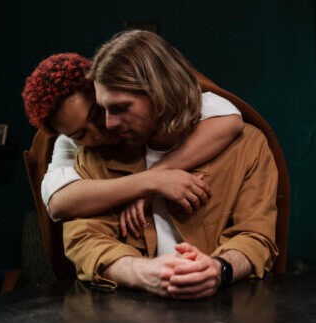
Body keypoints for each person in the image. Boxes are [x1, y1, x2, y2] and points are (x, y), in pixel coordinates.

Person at [64, 30, 278, 299]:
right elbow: (84, 239)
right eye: (103, 109)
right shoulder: (98, 155)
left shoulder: (248, 146)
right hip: (128, 312)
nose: (108, 124)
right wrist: (143, 272)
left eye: (120, 108)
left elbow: (256, 236)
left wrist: (217, 269)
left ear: (161, 93)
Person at [22, 53, 244, 237]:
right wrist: (149, 182)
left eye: (98, 112)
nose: (102, 129)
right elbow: (58, 201)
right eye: (81, 133)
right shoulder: (68, 143)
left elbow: (229, 118)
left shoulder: (149, 104)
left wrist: (160, 170)